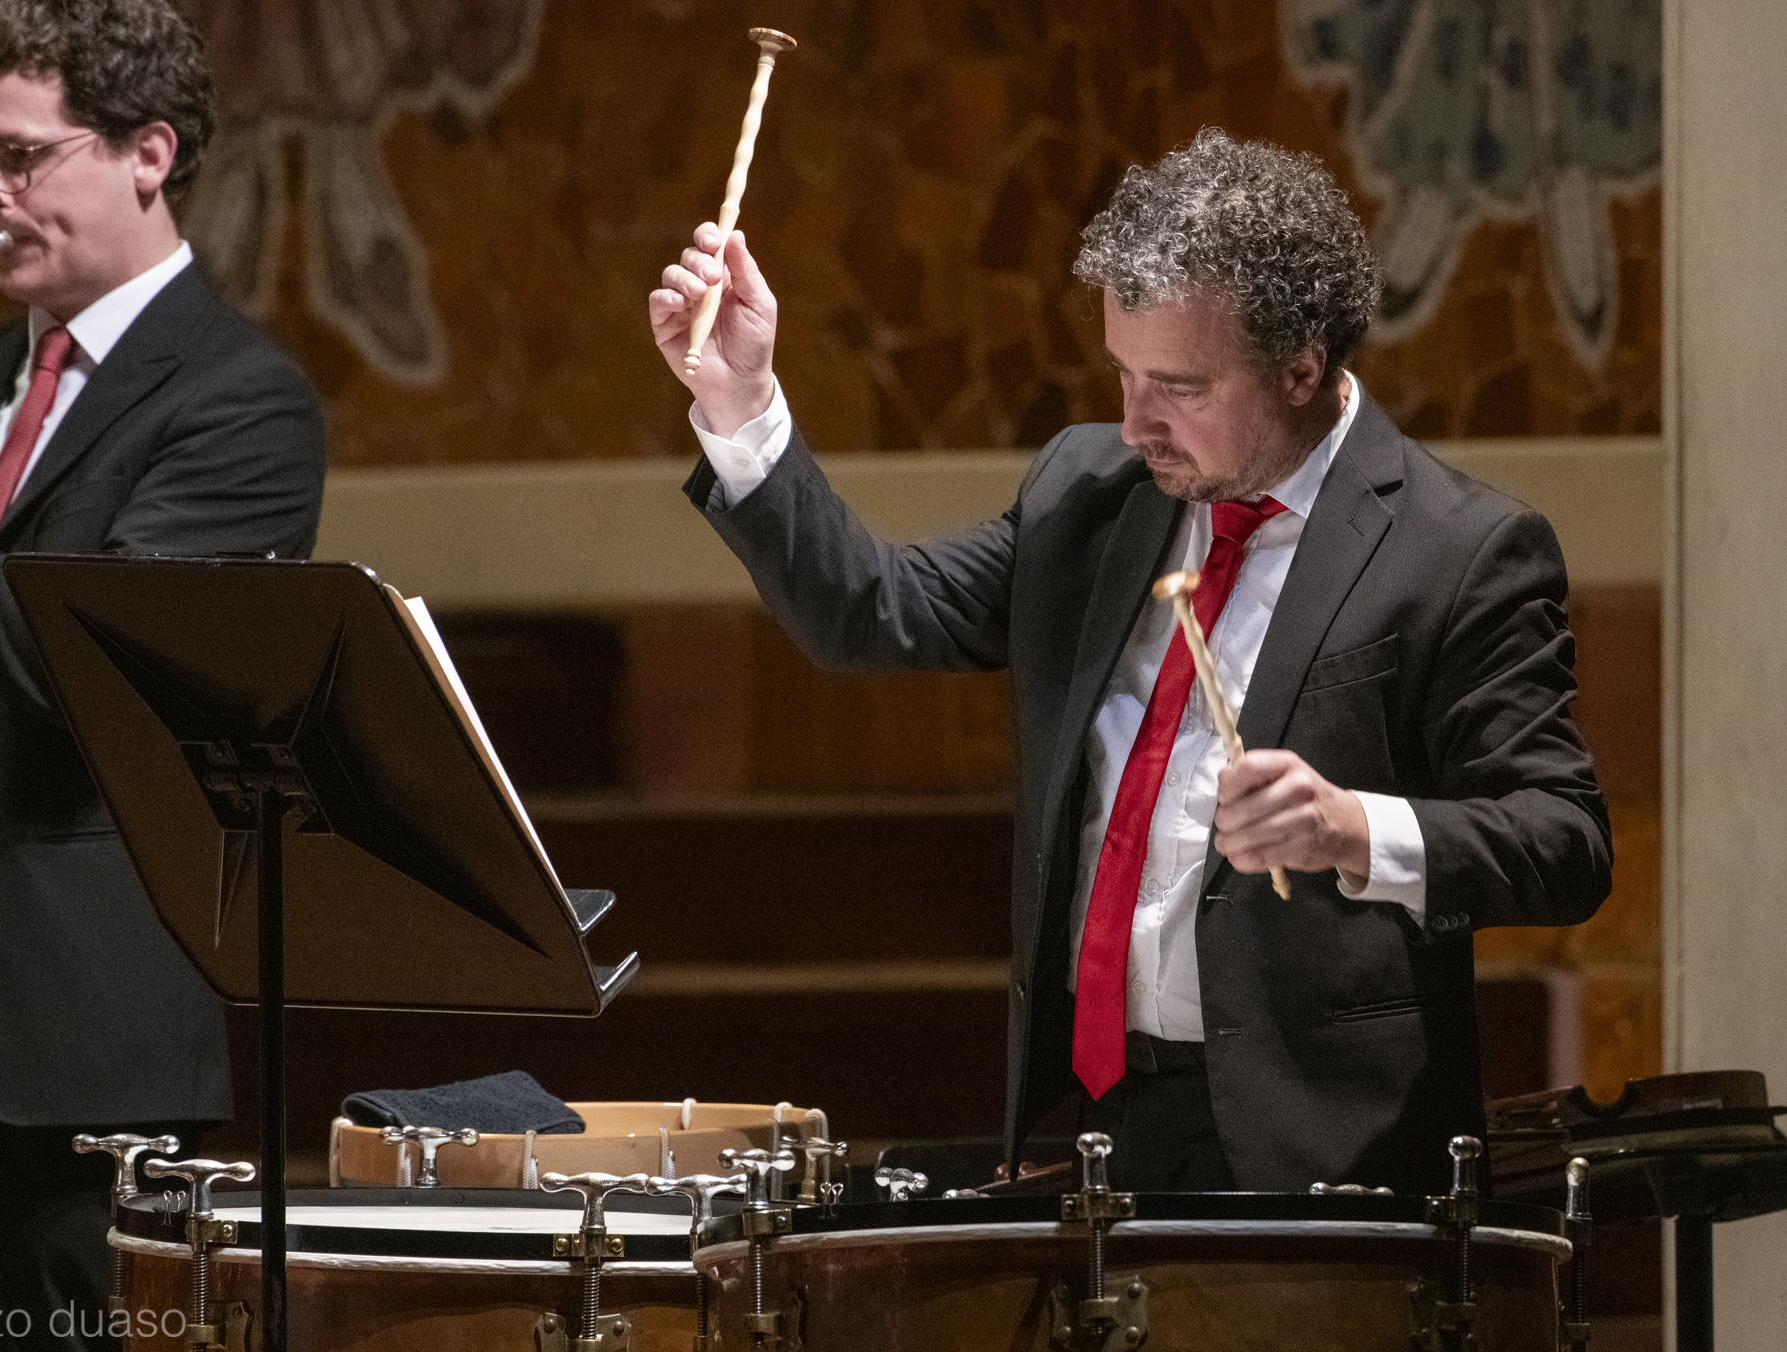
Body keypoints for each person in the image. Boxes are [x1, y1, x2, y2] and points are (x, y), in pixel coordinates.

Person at [650, 129, 1611, 1197]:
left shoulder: (1458, 549)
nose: (1132, 421)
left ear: (1302, 367)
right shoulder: (1090, 493)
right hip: (1100, 1123)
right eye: (1121, 372)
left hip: (1327, 1152)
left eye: (1179, 386)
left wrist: (1352, 826)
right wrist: (741, 403)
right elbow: (874, 612)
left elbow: (1560, 839)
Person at [0, 0, 324, 1345]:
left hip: (67, 1040)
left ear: (148, 152)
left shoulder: (240, 404)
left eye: (18, 158)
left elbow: (92, 659)